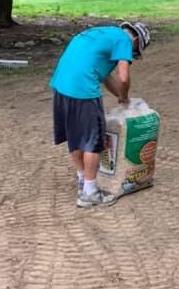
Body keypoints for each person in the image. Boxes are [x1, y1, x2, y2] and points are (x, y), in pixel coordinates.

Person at [50, 21, 151, 208]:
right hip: (83, 89)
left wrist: (121, 97)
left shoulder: (103, 33)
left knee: (75, 135)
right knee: (93, 140)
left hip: (61, 84)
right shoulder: (124, 40)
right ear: (136, 39)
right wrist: (125, 94)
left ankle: (82, 180)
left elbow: (105, 77)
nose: (131, 54)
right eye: (135, 51)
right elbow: (123, 77)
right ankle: (90, 193)